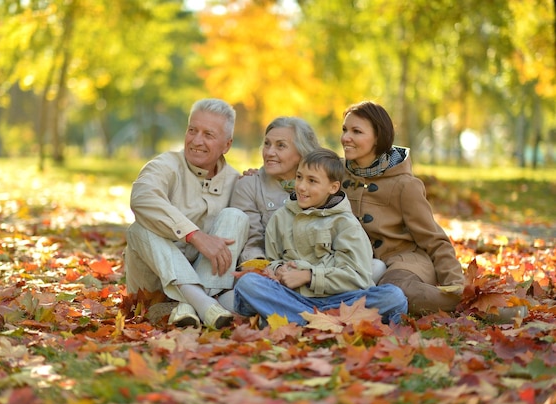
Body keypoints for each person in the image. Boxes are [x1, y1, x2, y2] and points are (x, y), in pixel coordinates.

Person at [233, 149, 408, 326]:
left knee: (393, 297)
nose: (301, 186)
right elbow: (273, 259)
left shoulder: (345, 223)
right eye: (299, 177)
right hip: (293, 297)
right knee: (248, 283)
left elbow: (357, 278)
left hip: (340, 301)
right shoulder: (281, 217)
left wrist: (308, 276)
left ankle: (295, 319)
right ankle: (321, 321)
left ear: (333, 187)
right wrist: (279, 269)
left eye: (312, 181)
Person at [124, 98, 249, 329]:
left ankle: (190, 306)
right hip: (154, 289)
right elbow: (142, 197)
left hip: (210, 280)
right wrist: (194, 235)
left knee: (237, 216)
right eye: (192, 130)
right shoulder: (165, 165)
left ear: (227, 145)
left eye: (208, 135)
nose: (196, 140)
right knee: (138, 229)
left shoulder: (236, 181)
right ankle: (202, 303)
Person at [340, 100, 464, 315]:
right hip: (353, 262)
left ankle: (472, 307)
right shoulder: (337, 174)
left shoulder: (405, 185)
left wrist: (455, 285)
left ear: (378, 137)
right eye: (344, 130)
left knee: (396, 292)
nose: (345, 138)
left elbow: (434, 238)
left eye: (356, 131)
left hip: (402, 263)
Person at [229, 116, 322, 263]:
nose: (269, 152)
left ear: (302, 152)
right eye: (267, 144)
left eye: (280, 146)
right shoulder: (249, 186)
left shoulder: (325, 184)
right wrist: (266, 269)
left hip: (319, 271)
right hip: (269, 272)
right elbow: (252, 243)